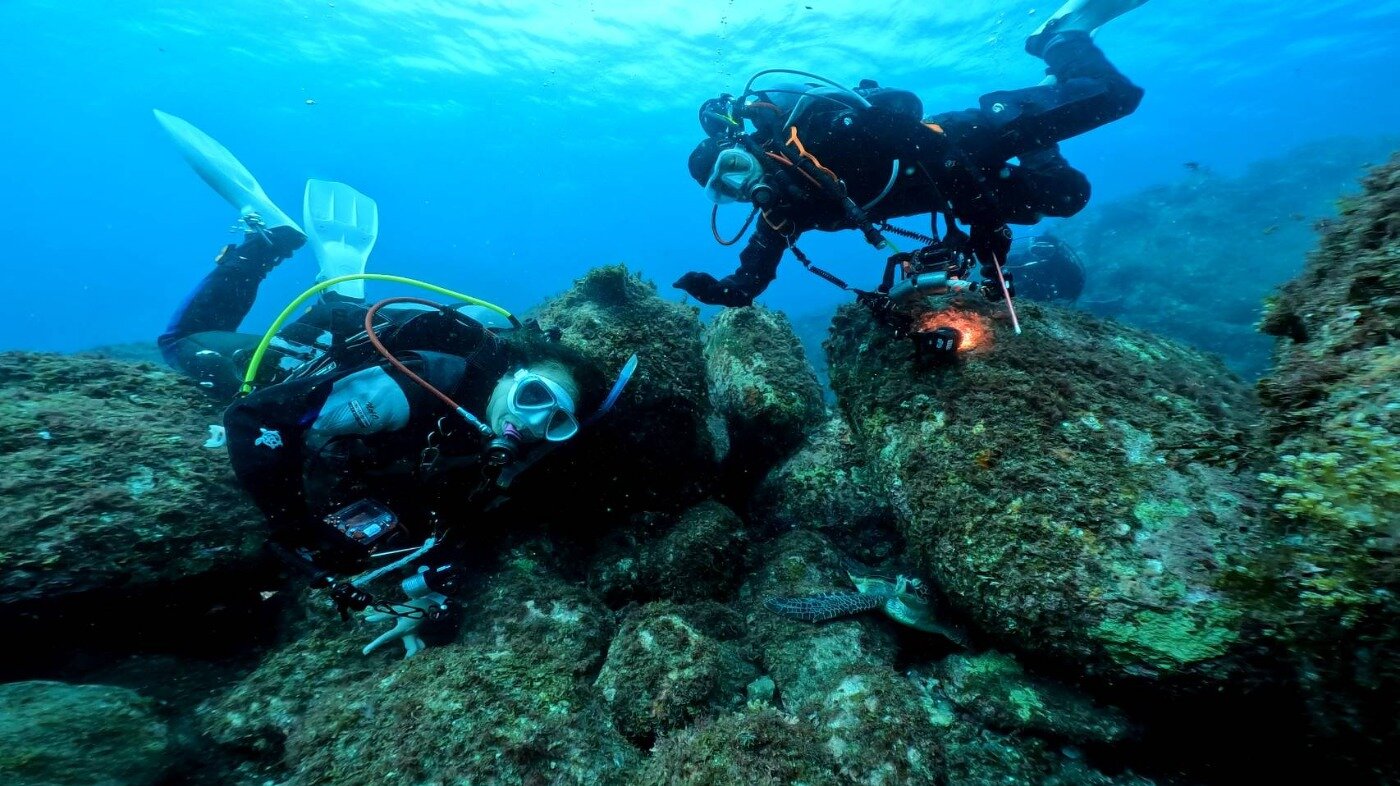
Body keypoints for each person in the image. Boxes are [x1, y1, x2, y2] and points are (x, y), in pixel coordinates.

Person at [154, 110, 631, 657]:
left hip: (377, 365)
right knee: (180, 342)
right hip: (316, 357)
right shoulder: (415, 387)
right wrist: (295, 529)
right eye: (534, 397)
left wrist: (429, 587)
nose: (531, 422)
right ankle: (266, 242)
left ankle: (341, 291)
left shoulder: (515, 444)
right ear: (512, 375)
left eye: (556, 420)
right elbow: (253, 419)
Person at [674, 0, 1147, 308]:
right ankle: (1045, 96)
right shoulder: (783, 211)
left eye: (732, 167)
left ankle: (1060, 37)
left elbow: (935, 149)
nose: (739, 185)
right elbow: (752, 276)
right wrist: (726, 292)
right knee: (1067, 195)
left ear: (748, 147)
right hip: (955, 189)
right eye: (724, 190)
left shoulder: (821, 132)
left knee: (1112, 95)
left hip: (969, 138)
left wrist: (982, 223)